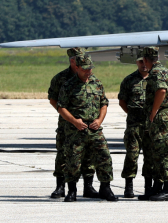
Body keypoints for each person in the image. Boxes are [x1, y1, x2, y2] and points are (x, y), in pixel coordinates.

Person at [56, 53, 117, 202]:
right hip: (76, 130)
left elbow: (104, 103)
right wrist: (74, 121)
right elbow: (61, 107)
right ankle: (72, 190)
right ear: (76, 68)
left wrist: (99, 120)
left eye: (90, 68)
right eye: (85, 69)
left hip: (95, 129)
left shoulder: (97, 83)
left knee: (104, 157)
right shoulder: (69, 85)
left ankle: (105, 188)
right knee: (73, 160)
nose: (88, 71)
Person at [49, 47, 97, 199]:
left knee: (88, 154)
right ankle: (60, 186)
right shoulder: (60, 78)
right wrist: (68, 116)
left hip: (87, 122)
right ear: (71, 61)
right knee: (64, 153)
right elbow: (53, 99)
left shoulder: (90, 77)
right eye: (77, 60)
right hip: (66, 124)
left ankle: (88, 186)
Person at [140, 46, 168, 201]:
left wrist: (154, 110)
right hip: (164, 115)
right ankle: (157, 188)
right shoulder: (165, 70)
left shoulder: (156, 73)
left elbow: (162, 90)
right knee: (156, 152)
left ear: (145, 60)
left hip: (161, 117)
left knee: (164, 152)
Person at [118, 50, 150, 199]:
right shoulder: (129, 80)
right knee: (132, 155)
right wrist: (132, 114)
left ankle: (148, 186)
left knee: (150, 157)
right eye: (140, 62)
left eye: (145, 61)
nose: (143, 65)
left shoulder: (157, 79)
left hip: (151, 124)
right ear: (136, 62)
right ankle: (128, 186)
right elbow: (122, 101)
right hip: (134, 124)